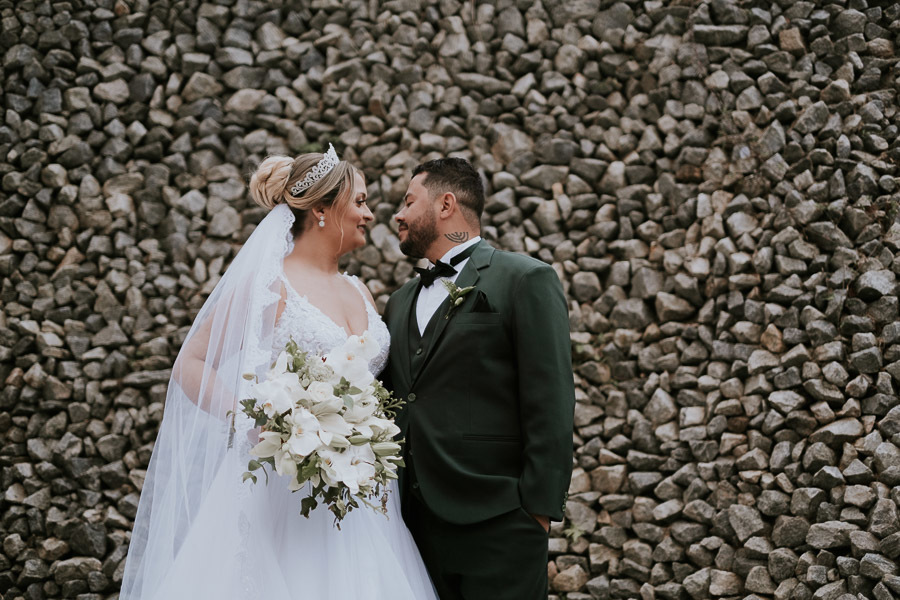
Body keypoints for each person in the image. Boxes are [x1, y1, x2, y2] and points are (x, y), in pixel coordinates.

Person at [120, 145, 437, 600]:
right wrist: (252, 419)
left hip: (362, 495)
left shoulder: (359, 289)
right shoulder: (271, 284)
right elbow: (190, 363)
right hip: (285, 489)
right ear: (324, 209)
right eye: (361, 202)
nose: (370, 215)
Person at [383, 157, 575, 599]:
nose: (398, 214)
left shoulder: (525, 279)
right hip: (411, 529)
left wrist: (537, 512)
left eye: (409, 201)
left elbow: (551, 399)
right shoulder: (398, 302)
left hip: (500, 525)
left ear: (446, 204)